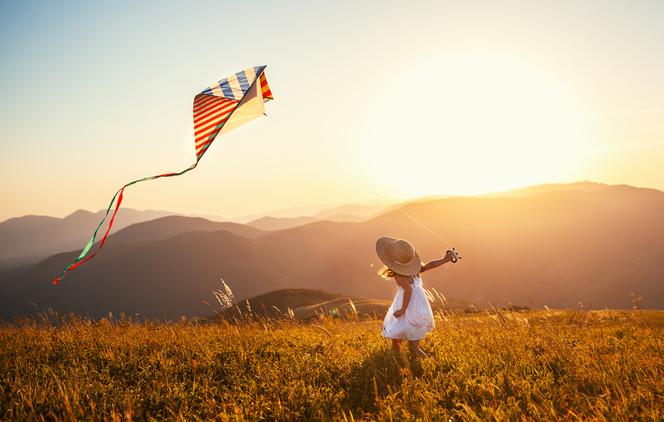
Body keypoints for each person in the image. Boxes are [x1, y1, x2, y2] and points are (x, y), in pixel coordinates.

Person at [376, 236, 458, 357]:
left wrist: (402, 309)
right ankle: (412, 354)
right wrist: (446, 259)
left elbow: (408, 290)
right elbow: (430, 265)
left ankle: (396, 356)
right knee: (414, 346)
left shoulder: (400, 276)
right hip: (419, 306)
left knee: (397, 335)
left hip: (407, 304)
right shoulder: (415, 270)